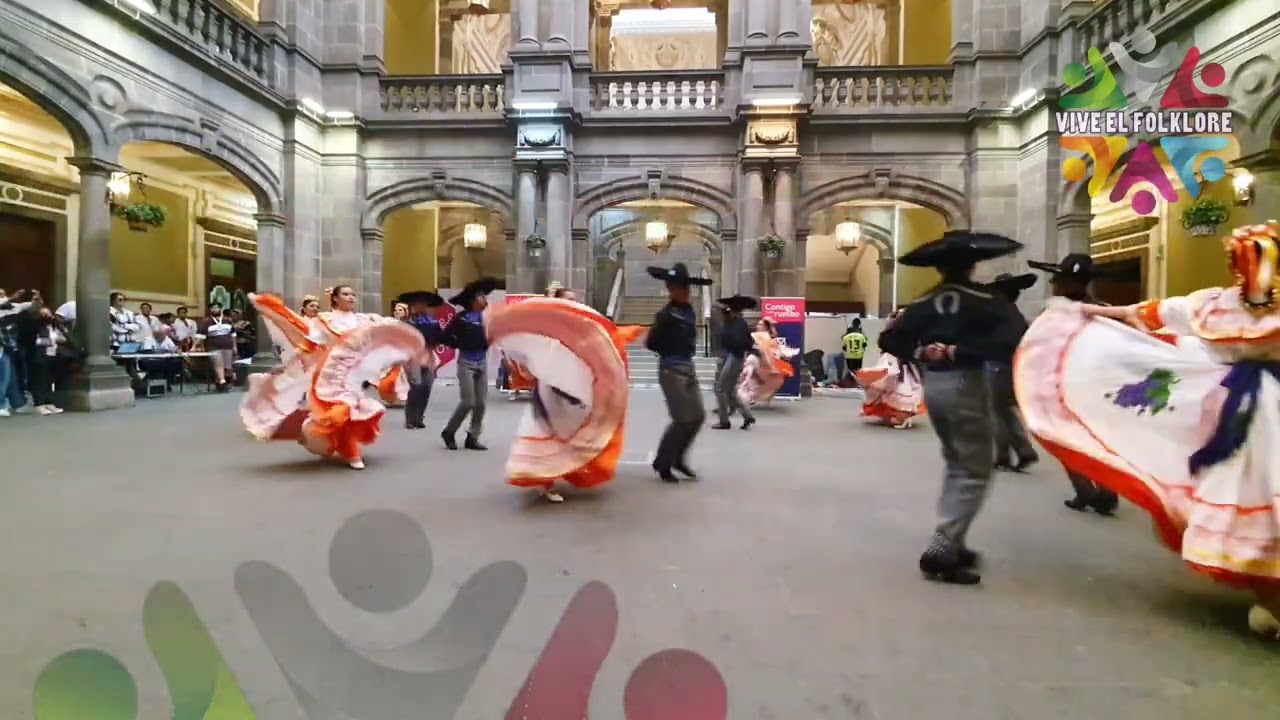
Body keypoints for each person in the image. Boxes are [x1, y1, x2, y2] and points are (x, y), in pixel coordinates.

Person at [1016, 221, 1280, 639]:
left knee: (1252, 489)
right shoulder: (1220, 304)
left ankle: (1269, 598)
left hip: (1247, 408)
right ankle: (1269, 599)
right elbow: (1153, 313)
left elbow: (1154, 312)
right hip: (1246, 407)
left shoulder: (1221, 305)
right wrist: (1092, 312)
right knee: (1259, 490)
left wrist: (1085, 314)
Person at [879, 230, 1025, 585]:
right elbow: (1015, 338)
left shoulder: (923, 301)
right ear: (974, 264)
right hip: (968, 382)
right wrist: (960, 351)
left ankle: (954, 540)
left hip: (936, 385)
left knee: (956, 461)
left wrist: (921, 352)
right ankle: (943, 546)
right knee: (974, 468)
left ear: (938, 267)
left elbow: (889, 338)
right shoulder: (987, 298)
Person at [242, 287, 423, 470]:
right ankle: (351, 452)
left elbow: (386, 330)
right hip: (328, 373)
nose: (351, 297)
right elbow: (309, 344)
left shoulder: (363, 320)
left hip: (352, 376)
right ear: (335, 298)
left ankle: (338, 444)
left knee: (350, 412)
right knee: (341, 410)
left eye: (353, 294)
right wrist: (289, 363)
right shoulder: (325, 320)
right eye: (345, 294)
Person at [489, 295, 646, 503]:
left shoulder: (577, 335)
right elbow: (526, 354)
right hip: (551, 393)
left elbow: (601, 343)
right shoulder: (546, 336)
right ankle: (544, 482)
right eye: (568, 301)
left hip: (569, 394)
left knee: (567, 435)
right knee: (547, 433)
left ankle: (559, 474)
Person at [1027, 253, 1120, 516]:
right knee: (1097, 442)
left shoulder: (1054, 315)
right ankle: (1105, 492)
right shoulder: (1105, 310)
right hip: (1097, 387)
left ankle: (1086, 490)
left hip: (1067, 386)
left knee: (1066, 440)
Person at [645, 263, 712, 483]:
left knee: (698, 416)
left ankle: (678, 458)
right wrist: (670, 348)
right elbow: (650, 343)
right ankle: (663, 463)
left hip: (687, 366)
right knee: (682, 418)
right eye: (678, 288)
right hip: (671, 368)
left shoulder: (689, 311)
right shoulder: (665, 314)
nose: (684, 292)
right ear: (671, 289)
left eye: (685, 288)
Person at [985, 272, 1040, 472]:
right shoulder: (1016, 315)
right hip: (1011, 366)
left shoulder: (997, 315)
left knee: (996, 411)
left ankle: (1003, 455)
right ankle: (1023, 450)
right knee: (1005, 410)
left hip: (996, 364)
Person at [440, 277, 499, 451]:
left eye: (484, 296)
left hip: (482, 362)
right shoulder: (462, 318)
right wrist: (460, 343)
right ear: (473, 300)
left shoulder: (488, 317)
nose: (485, 299)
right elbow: (446, 336)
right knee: (468, 401)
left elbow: (493, 336)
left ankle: (472, 437)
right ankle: (449, 432)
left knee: (480, 403)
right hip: (466, 362)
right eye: (481, 296)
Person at [855, 309, 924, 428]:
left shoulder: (892, 333)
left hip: (897, 362)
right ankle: (898, 415)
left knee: (888, 385)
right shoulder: (910, 335)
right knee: (896, 387)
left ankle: (898, 416)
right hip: (903, 364)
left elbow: (884, 344)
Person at [398, 291, 445, 430]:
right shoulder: (407, 323)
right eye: (418, 304)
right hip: (413, 357)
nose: (421, 306)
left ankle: (419, 417)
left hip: (428, 356)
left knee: (426, 387)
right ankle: (410, 418)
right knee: (416, 387)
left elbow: (438, 339)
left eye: (424, 304)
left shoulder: (432, 322)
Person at [712, 295, 757, 430]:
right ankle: (747, 416)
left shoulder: (736, 324)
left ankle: (724, 420)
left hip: (734, 356)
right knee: (730, 391)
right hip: (735, 356)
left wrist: (734, 348)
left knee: (720, 389)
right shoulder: (737, 323)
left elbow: (738, 341)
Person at [737, 318, 799, 406]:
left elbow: (777, 351)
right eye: (758, 324)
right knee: (750, 375)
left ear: (766, 327)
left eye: (761, 325)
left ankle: (750, 396)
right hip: (756, 361)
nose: (758, 326)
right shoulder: (754, 336)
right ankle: (747, 396)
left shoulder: (770, 339)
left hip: (767, 364)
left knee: (768, 380)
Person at [200, 302, 236, 392]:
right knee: (218, 363)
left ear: (221, 309)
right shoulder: (206, 321)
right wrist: (200, 346)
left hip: (228, 345)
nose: (214, 309)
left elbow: (233, 334)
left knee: (227, 367)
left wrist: (235, 346)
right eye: (212, 308)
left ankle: (219, 382)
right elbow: (201, 336)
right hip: (214, 346)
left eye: (216, 308)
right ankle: (222, 382)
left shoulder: (228, 320)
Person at [841, 320, 868, 385]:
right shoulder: (861, 335)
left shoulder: (847, 336)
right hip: (859, 355)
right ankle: (858, 382)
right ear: (859, 324)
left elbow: (844, 347)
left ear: (852, 324)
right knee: (858, 370)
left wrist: (847, 333)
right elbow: (865, 344)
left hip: (849, 355)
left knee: (851, 370)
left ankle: (852, 382)